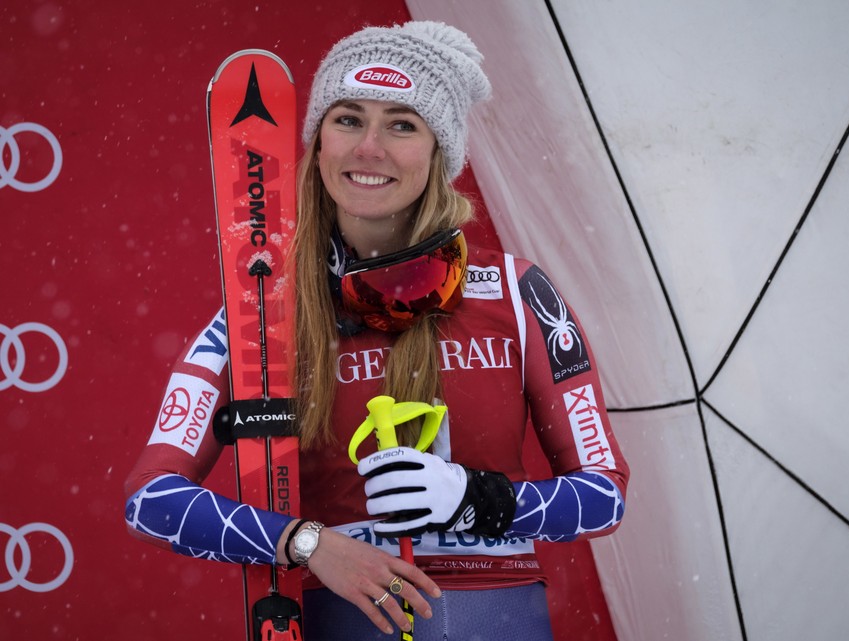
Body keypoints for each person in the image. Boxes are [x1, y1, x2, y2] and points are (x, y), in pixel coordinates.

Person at [124, 20, 629, 641]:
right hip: (343, 619)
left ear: (439, 151)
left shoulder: (516, 294)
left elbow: (605, 495)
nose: (368, 148)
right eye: (348, 118)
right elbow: (151, 500)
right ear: (318, 139)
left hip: (497, 616)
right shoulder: (259, 311)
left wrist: (474, 498)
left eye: (401, 123)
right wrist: (308, 544)